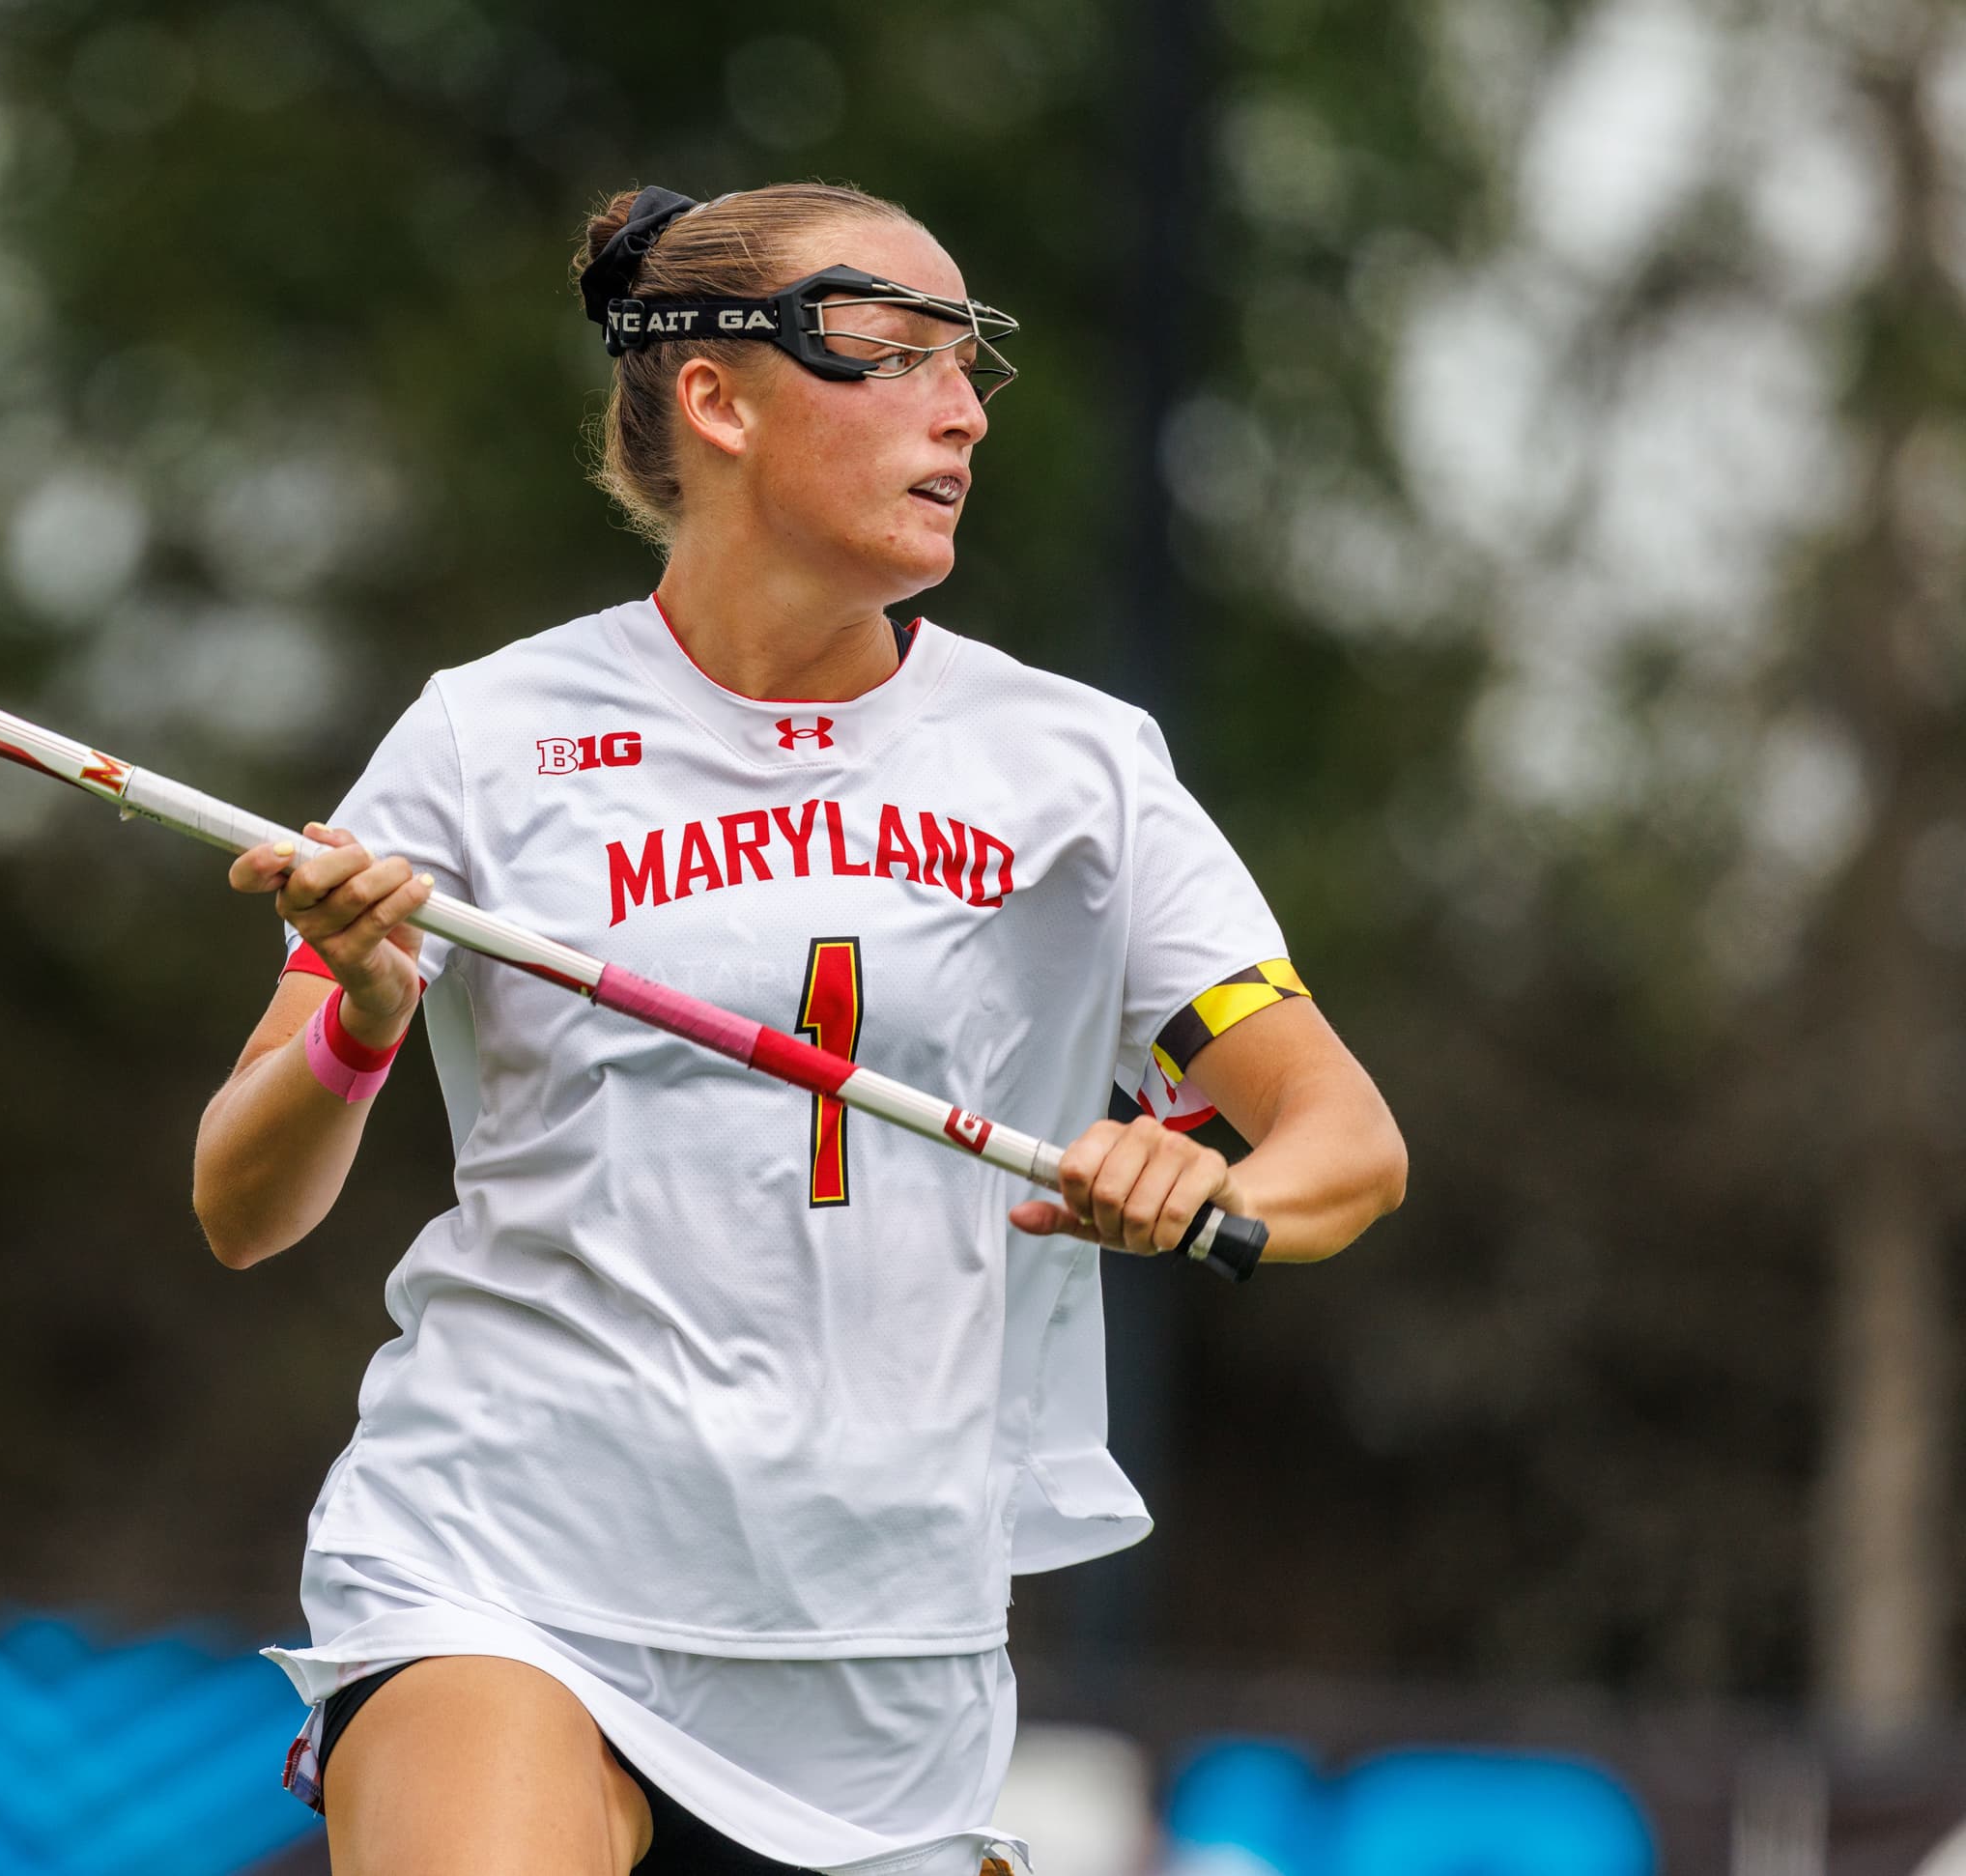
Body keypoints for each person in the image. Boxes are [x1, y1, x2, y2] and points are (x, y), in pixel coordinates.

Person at [190, 182, 1409, 1876]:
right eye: (897, 356)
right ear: (718, 398)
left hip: (884, 1667)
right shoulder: (486, 737)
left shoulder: (1077, 769)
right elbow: (244, 1205)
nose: (963, 409)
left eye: (969, 364)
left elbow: (1345, 1144)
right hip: (507, 1560)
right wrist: (364, 1023)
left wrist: (1206, 1187)